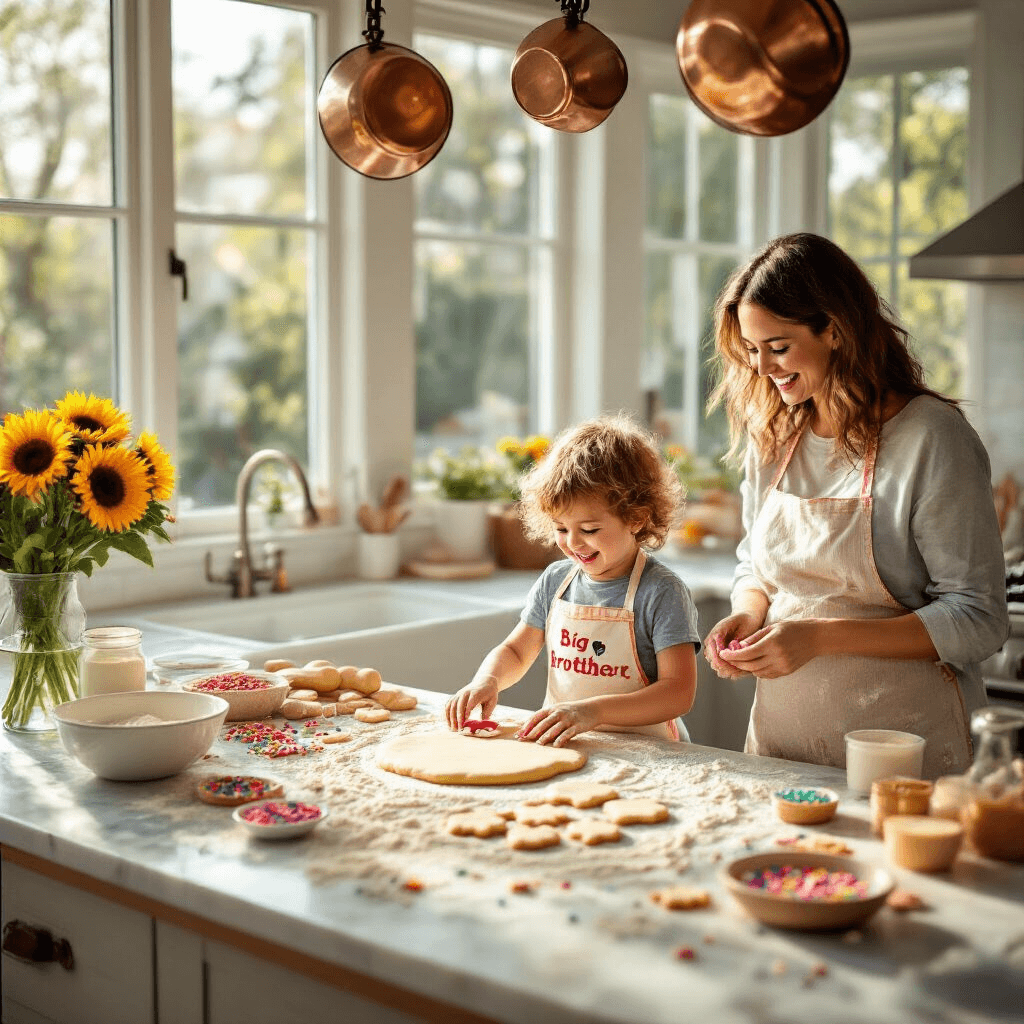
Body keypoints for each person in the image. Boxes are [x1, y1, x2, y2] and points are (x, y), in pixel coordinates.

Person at [703, 232, 1009, 779]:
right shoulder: (773, 434)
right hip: (782, 749)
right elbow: (756, 562)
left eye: (778, 346)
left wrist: (818, 636)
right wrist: (748, 613)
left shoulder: (931, 437)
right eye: (751, 350)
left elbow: (978, 619)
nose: (763, 367)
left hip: (907, 755)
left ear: (836, 330)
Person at [445, 414, 700, 747]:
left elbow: (678, 693)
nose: (573, 543)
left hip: (650, 751)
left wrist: (592, 712)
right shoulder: (556, 581)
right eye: (561, 528)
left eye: (589, 530)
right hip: (567, 744)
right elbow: (516, 651)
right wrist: (488, 679)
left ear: (636, 518)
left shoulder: (661, 592)